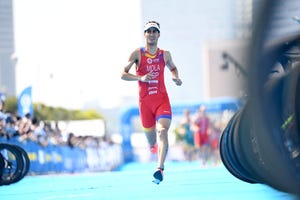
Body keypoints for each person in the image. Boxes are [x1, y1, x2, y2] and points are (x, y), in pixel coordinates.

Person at [121, 21, 182, 184]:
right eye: (149, 31)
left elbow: (173, 68)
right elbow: (123, 74)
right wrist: (140, 77)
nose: (152, 33)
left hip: (162, 101)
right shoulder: (137, 54)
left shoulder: (165, 54)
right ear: (145, 34)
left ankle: (159, 168)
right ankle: (153, 146)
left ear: (159, 34)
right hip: (145, 104)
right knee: (151, 139)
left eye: (155, 31)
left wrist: (175, 77)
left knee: (162, 131)